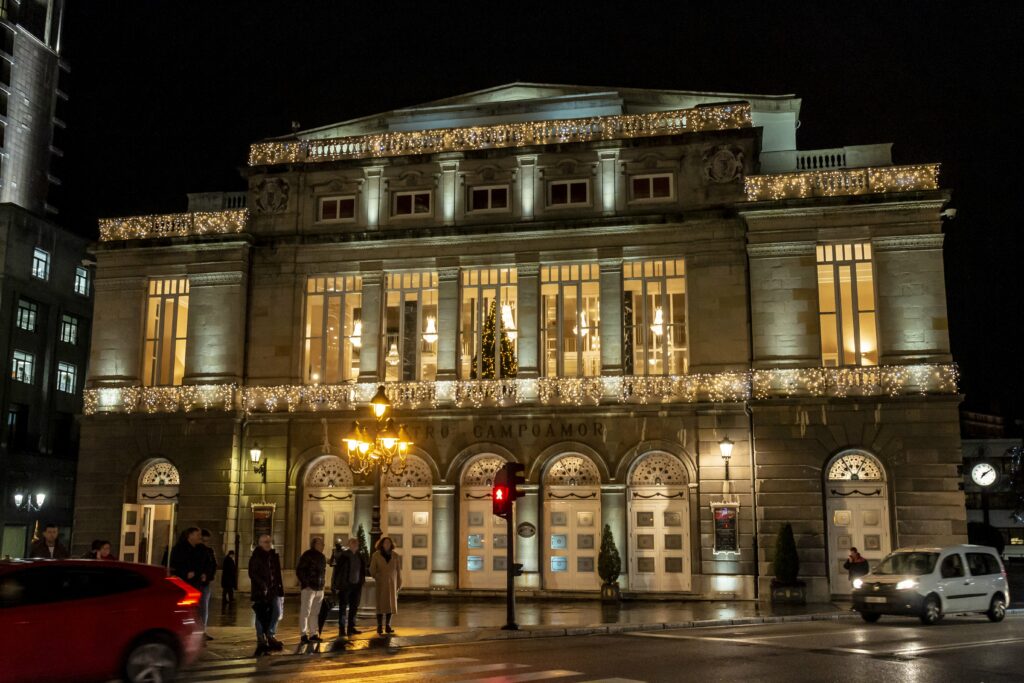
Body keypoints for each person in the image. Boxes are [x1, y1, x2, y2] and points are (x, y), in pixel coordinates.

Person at [249, 534, 285, 656]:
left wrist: (280, 588)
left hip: (273, 590)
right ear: (259, 543)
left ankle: (270, 634)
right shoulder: (256, 556)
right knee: (261, 614)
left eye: (269, 541)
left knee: (277, 612)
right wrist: (263, 585)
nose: (267, 544)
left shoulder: (273, 556)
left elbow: (277, 573)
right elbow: (253, 573)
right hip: (261, 591)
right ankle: (261, 637)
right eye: (265, 542)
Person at [331, 537, 366, 637]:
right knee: (343, 608)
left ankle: (351, 627)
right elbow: (337, 571)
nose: (354, 545)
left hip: (356, 586)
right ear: (349, 545)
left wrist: (361, 581)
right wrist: (335, 585)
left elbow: (363, 569)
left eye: (356, 543)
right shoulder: (344, 556)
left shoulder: (360, 556)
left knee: (354, 607)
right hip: (345, 585)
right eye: (352, 543)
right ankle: (342, 629)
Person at [296, 538, 328, 644]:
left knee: (315, 612)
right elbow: (300, 570)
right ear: (314, 544)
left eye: (323, 543)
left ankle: (314, 633)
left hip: (319, 588)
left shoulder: (322, 557)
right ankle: (303, 634)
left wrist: (322, 585)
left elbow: (322, 572)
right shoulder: (307, 555)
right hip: (309, 588)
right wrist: (306, 584)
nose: (323, 545)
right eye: (321, 543)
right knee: (305, 611)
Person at [369, 536, 402, 636]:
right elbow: (372, 569)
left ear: (391, 544)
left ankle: (388, 625)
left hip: (392, 583)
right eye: (385, 543)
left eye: (388, 543)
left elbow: (398, 570)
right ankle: (379, 626)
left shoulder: (395, 555)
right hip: (381, 583)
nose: (387, 544)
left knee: (390, 605)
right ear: (381, 544)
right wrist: (377, 576)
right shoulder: (376, 555)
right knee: (380, 605)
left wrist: (399, 582)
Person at [198, 530, 218, 640]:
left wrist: (209, 576)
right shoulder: (197, 551)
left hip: (206, 583)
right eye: (204, 540)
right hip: (198, 583)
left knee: (204, 608)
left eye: (207, 541)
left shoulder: (210, 551)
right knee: (200, 608)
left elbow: (213, 565)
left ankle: (202, 631)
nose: (206, 543)